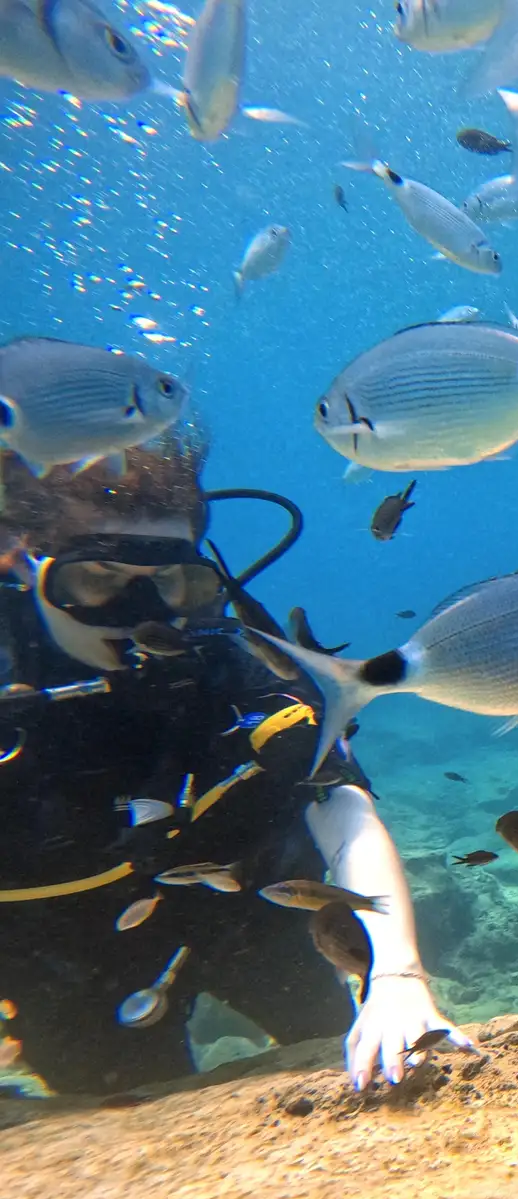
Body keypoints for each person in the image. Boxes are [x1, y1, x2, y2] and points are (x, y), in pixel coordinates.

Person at [0, 428, 465, 1096]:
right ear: (29, 567)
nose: (141, 615)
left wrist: (397, 977)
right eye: (97, 579)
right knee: (119, 1116)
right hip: (61, 952)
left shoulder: (237, 661)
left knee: (359, 1063)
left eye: (172, 583)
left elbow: (340, 803)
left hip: (248, 914)